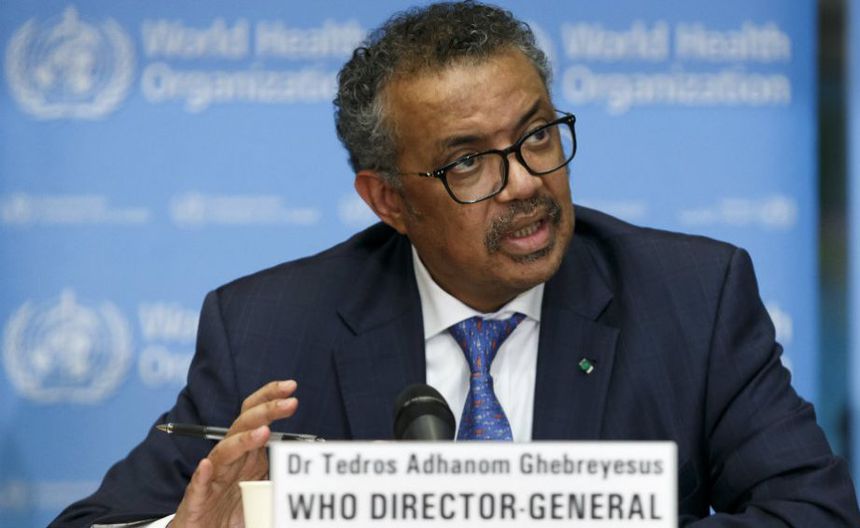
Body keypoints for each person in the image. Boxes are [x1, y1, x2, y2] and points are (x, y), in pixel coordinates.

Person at [51, 2, 860, 527]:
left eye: (536, 135)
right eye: (468, 163)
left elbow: (813, 510)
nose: (527, 183)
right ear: (388, 200)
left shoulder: (692, 298)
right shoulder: (267, 328)